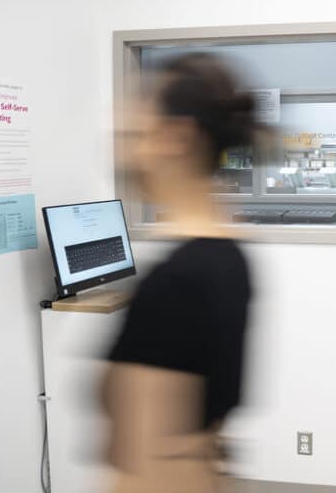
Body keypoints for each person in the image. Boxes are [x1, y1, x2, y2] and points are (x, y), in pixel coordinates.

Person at [103, 53, 262, 493]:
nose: (126, 150)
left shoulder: (177, 283)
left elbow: (152, 469)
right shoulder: (231, 258)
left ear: (177, 137)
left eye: (136, 134)